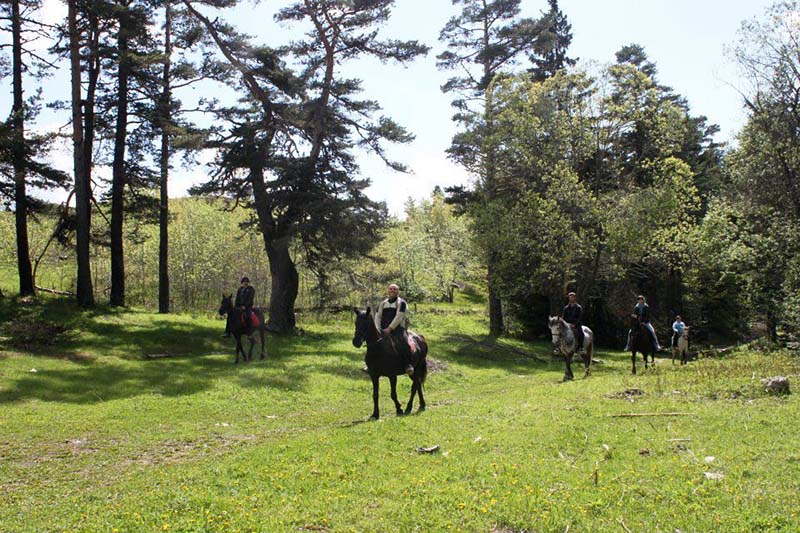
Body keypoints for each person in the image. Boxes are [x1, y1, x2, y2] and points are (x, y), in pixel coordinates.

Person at [373, 283, 413, 375]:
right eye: (391, 289)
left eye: (394, 289)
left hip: (398, 328)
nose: (392, 290)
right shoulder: (382, 303)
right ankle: (371, 365)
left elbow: (399, 316)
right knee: (374, 344)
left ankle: (408, 365)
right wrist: (378, 329)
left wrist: (390, 328)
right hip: (383, 329)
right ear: (388, 290)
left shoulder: (402, 303)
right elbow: (378, 316)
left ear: (398, 291)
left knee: (404, 342)